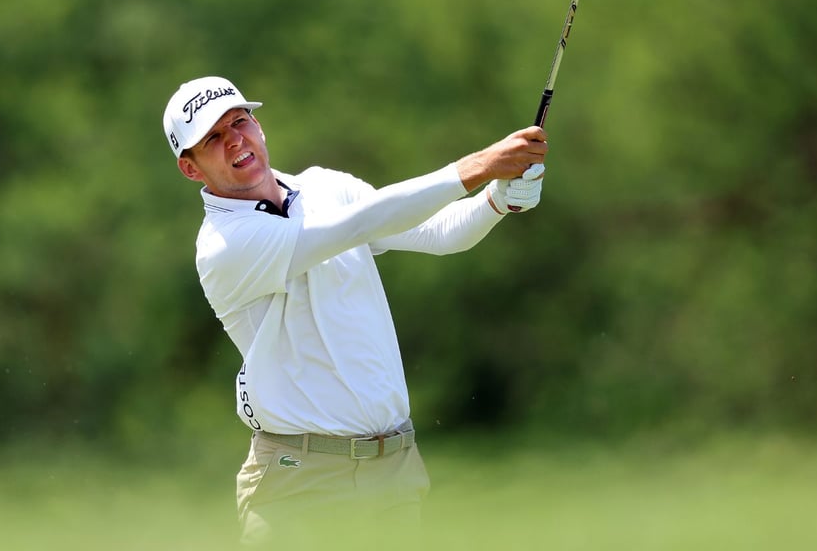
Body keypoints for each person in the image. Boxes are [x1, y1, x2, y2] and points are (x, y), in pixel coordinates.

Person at [162, 76, 548, 547]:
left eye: (239, 122)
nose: (235, 141)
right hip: (298, 480)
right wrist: (478, 167)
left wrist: (496, 200)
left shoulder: (327, 186)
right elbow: (359, 225)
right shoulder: (224, 246)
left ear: (257, 125)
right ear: (190, 168)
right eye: (213, 139)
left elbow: (439, 233)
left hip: (393, 470)